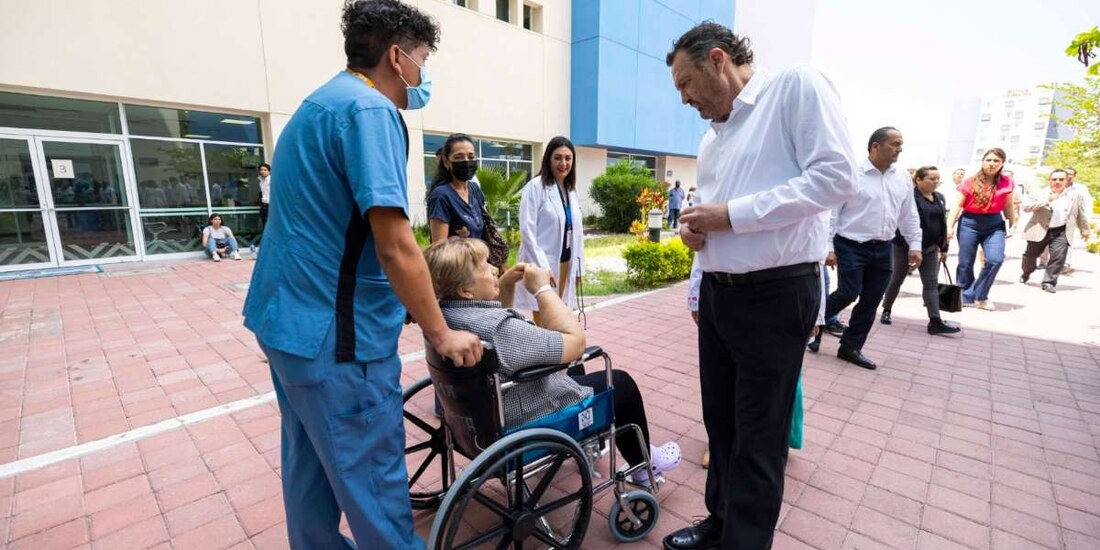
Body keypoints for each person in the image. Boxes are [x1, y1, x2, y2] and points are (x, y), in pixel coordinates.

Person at [241, 2, 482, 548]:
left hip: (287, 327)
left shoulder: (317, 104)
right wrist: (440, 333)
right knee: (374, 488)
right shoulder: (371, 111)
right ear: (397, 58)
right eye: (421, 59)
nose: (422, 74)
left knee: (310, 472)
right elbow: (395, 244)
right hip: (338, 342)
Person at [666, 23, 857, 550]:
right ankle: (720, 523)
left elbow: (836, 178)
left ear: (718, 60)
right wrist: (695, 229)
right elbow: (713, 214)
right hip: (719, 295)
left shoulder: (794, 87)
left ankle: (744, 542)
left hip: (775, 294)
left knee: (759, 434)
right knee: (721, 423)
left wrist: (731, 215)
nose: (683, 98)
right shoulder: (712, 138)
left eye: (686, 83)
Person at [424, 237, 682, 481]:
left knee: (575, 369)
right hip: (521, 423)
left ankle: (589, 439)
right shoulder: (500, 329)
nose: (493, 268)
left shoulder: (444, 320)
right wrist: (542, 289)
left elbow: (492, 316)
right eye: (485, 266)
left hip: (473, 428)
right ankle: (644, 466)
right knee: (620, 382)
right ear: (465, 290)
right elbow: (574, 342)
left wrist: (507, 283)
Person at [824, 128, 922, 370]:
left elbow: (908, 214)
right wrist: (827, 247)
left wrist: (915, 244)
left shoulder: (902, 178)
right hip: (849, 245)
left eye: (901, 144)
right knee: (849, 291)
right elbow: (832, 213)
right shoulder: (852, 174)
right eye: (894, 143)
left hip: (883, 248)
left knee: (871, 300)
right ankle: (809, 321)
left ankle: (850, 347)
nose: (899, 148)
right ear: (875, 146)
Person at [880, 166, 961, 335]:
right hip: (905, 247)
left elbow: (942, 223)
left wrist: (944, 247)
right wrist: (911, 246)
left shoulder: (939, 198)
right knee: (896, 279)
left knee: (930, 283)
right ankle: (886, 309)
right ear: (918, 180)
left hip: (931, 248)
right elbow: (903, 222)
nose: (935, 182)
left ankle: (935, 321)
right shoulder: (909, 197)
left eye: (937, 178)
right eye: (931, 179)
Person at [514, 136, 585, 318]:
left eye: (568, 158)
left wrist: (579, 269)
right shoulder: (535, 187)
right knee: (543, 315)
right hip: (542, 264)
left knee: (560, 313)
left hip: (564, 262)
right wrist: (543, 267)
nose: (563, 163)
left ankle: (558, 345)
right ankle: (546, 346)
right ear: (548, 159)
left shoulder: (570, 190)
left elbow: (577, 234)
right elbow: (527, 231)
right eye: (557, 158)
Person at [946, 148, 1017, 310]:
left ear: (1002, 164)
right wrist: (949, 226)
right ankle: (964, 295)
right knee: (965, 262)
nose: (992, 164)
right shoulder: (969, 181)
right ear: (983, 161)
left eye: (996, 161)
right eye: (989, 160)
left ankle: (980, 295)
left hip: (994, 224)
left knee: (995, 259)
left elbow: (1008, 205)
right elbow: (957, 205)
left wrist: (1013, 223)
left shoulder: (1007, 182)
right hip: (969, 223)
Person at [1020, 169, 1091, 293]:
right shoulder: (1040, 193)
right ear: (1049, 180)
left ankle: (1048, 282)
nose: (1057, 182)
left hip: (1061, 231)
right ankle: (1026, 272)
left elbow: (1080, 213)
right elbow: (1026, 207)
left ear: (1066, 180)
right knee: (1030, 256)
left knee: (1058, 258)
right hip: (1040, 229)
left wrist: (1085, 230)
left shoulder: (1074, 196)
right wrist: (1047, 199)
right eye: (1054, 179)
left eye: (1061, 179)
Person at [427, 133, 486, 243]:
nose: (466, 161)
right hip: (456, 261)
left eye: (471, 156)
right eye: (458, 157)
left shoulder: (474, 189)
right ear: (446, 162)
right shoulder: (441, 196)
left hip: (481, 259)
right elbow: (440, 249)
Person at [1062, 167, 1093, 273]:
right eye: (1066, 173)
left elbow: (1087, 204)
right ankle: (1046, 262)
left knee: (1068, 241)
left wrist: (1085, 222)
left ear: (1075, 176)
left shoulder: (1081, 188)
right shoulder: (1057, 184)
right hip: (1056, 218)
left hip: (1072, 219)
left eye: (1071, 174)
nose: (1068, 176)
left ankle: (1066, 264)